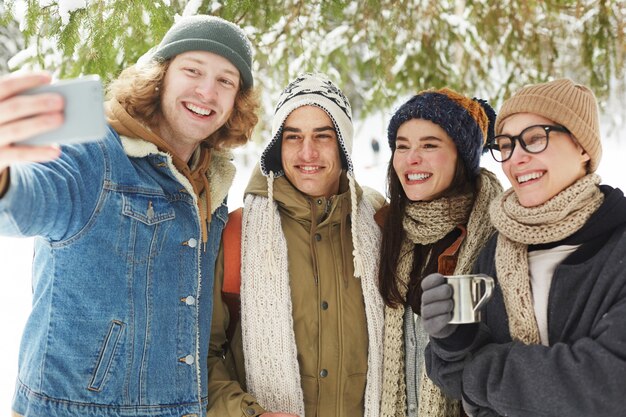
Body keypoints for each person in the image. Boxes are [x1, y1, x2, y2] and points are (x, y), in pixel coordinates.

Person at [0, 15, 259, 417]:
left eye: (226, 80)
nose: (208, 91)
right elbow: (28, 199)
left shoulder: (212, 182)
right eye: (192, 70)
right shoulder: (95, 147)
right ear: (160, 76)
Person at [422, 79, 626, 416]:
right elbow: (446, 372)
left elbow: (607, 384)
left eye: (534, 139)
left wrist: (479, 372)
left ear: (583, 147)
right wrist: (452, 338)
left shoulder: (616, 246)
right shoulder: (496, 249)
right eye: (505, 145)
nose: (516, 159)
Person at [206, 73, 385, 417]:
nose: (308, 152)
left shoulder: (378, 226)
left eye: (323, 136)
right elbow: (203, 354)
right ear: (277, 146)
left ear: (344, 146)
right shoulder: (239, 232)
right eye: (293, 137)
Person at [376, 88, 503, 417]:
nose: (411, 158)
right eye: (402, 146)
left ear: (462, 156)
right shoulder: (387, 230)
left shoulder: (498, 236)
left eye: (429, 145)